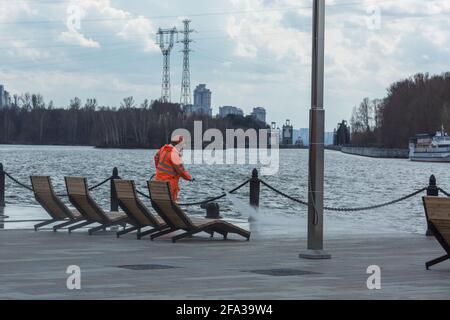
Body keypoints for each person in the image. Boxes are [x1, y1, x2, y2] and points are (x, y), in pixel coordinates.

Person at [153, 135, 193, 202]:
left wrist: (159, 169)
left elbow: (156, 157)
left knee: (163, 203)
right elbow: (181, 171)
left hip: (158, 182)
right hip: (170, 184)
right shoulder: (174, 154)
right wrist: (189, 178)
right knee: (172, 202)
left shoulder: (163, 148)